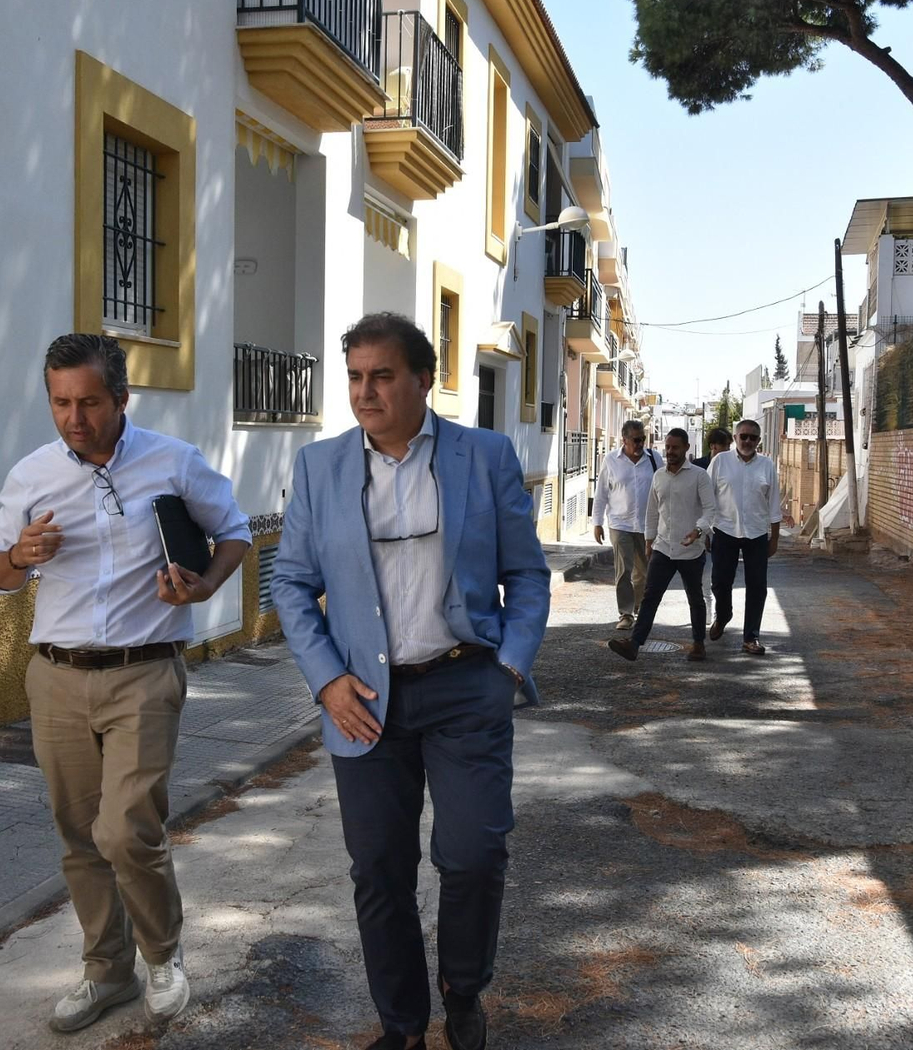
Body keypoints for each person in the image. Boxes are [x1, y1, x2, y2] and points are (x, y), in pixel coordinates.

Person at [272, 312, 550, 1050]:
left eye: (382, 376)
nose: (366, 392)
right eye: (356, 377)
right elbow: (291, 583)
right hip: (363, 700)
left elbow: (526, 574)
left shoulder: (484, 456)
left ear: (424, 380)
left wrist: (510, 666)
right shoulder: (319, 468)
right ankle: (402, 1025)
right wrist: (327, 680)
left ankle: (463, 988)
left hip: (465, 686)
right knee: (380, 873)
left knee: (475, 852)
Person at [0, 333, 251, 1033]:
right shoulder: (32, 474)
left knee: (127, 828)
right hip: (57, 677)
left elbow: (235, 532)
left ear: (122, 399)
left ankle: (163, 953)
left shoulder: (173, 461)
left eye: (90, 402)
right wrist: (18, 554)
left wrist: (202, 588)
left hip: (144, 671)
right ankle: (108, 973)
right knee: (78, 836)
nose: (75, 417)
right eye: (61, 402)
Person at [607, 427, 714, 662]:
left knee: (695, 598)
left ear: (686, 448)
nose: (670, 451)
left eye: (675, 447)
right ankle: (634, 644)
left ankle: (698, 643)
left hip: (691, 550)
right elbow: (652, 512)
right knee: (650, 596)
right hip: (663, 547)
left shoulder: (699, 476)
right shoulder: (659, 476)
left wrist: (698, 531)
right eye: (667, 447)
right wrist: (649, 540)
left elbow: (710, 510)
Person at [706, 418, 782, 654]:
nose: (748, 441)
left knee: (757, 586)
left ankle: (751, 637)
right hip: (724, 530)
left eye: (753, 437)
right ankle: (724, 613)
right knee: (720, 581)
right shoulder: (720, 461)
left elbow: (774, 504)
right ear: (735, 438)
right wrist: (705, 530)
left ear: (758, 441)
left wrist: (775, 538)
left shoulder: (767, 465)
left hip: (756, 533)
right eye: (743, 436)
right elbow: (707, 497)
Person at [592, 420, 662, 630]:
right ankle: (625, 613)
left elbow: (663, 488)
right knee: (623, 571)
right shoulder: (611, 460)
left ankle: (639, 606)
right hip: (619, 523)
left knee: (644, 572)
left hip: (647, 526)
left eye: (643, 439)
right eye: (636, 440)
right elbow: (601, 493)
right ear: (624, 440)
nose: (641, 443)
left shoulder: (654, 459)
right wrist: (597, 523)